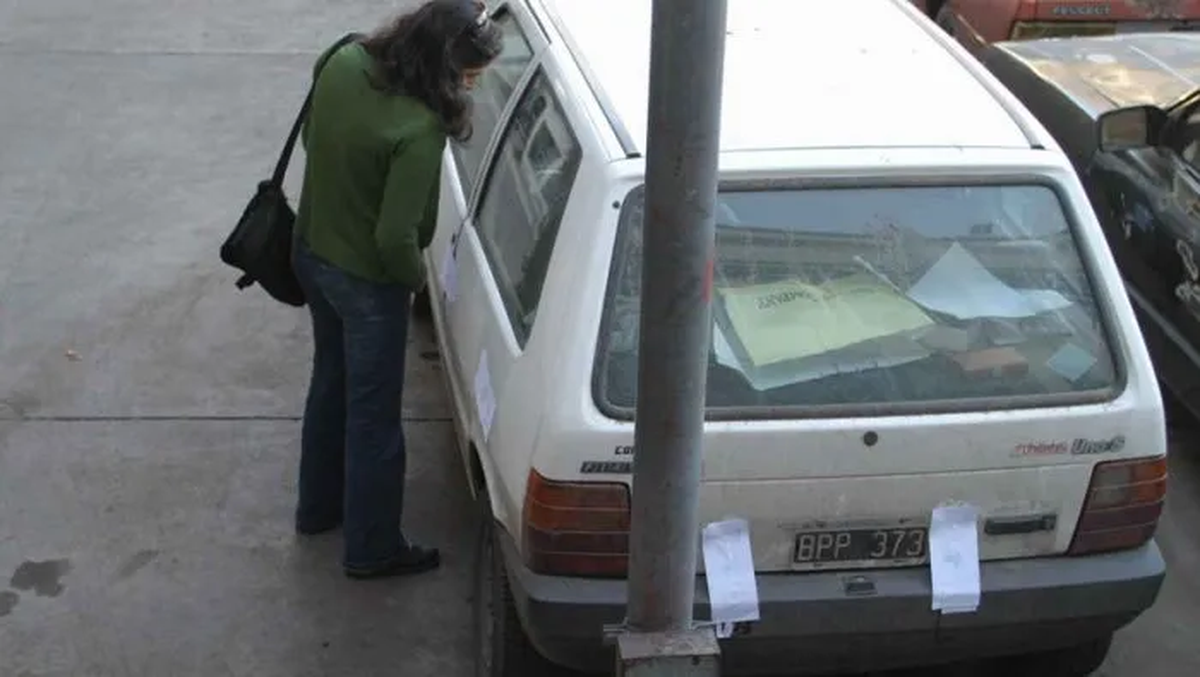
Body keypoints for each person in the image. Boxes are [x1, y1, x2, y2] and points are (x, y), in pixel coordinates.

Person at [290, 0, 503, 580]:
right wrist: (415, 281)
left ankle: (317, 509)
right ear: (443, 63)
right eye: (469, 72)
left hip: (312, 252)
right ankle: (372, 546)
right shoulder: (420, 129)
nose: (471, 84)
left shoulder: (341, 57)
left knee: (329, 382)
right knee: (375, 421)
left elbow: (312, 139)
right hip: (367, 285)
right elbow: (394, 237)